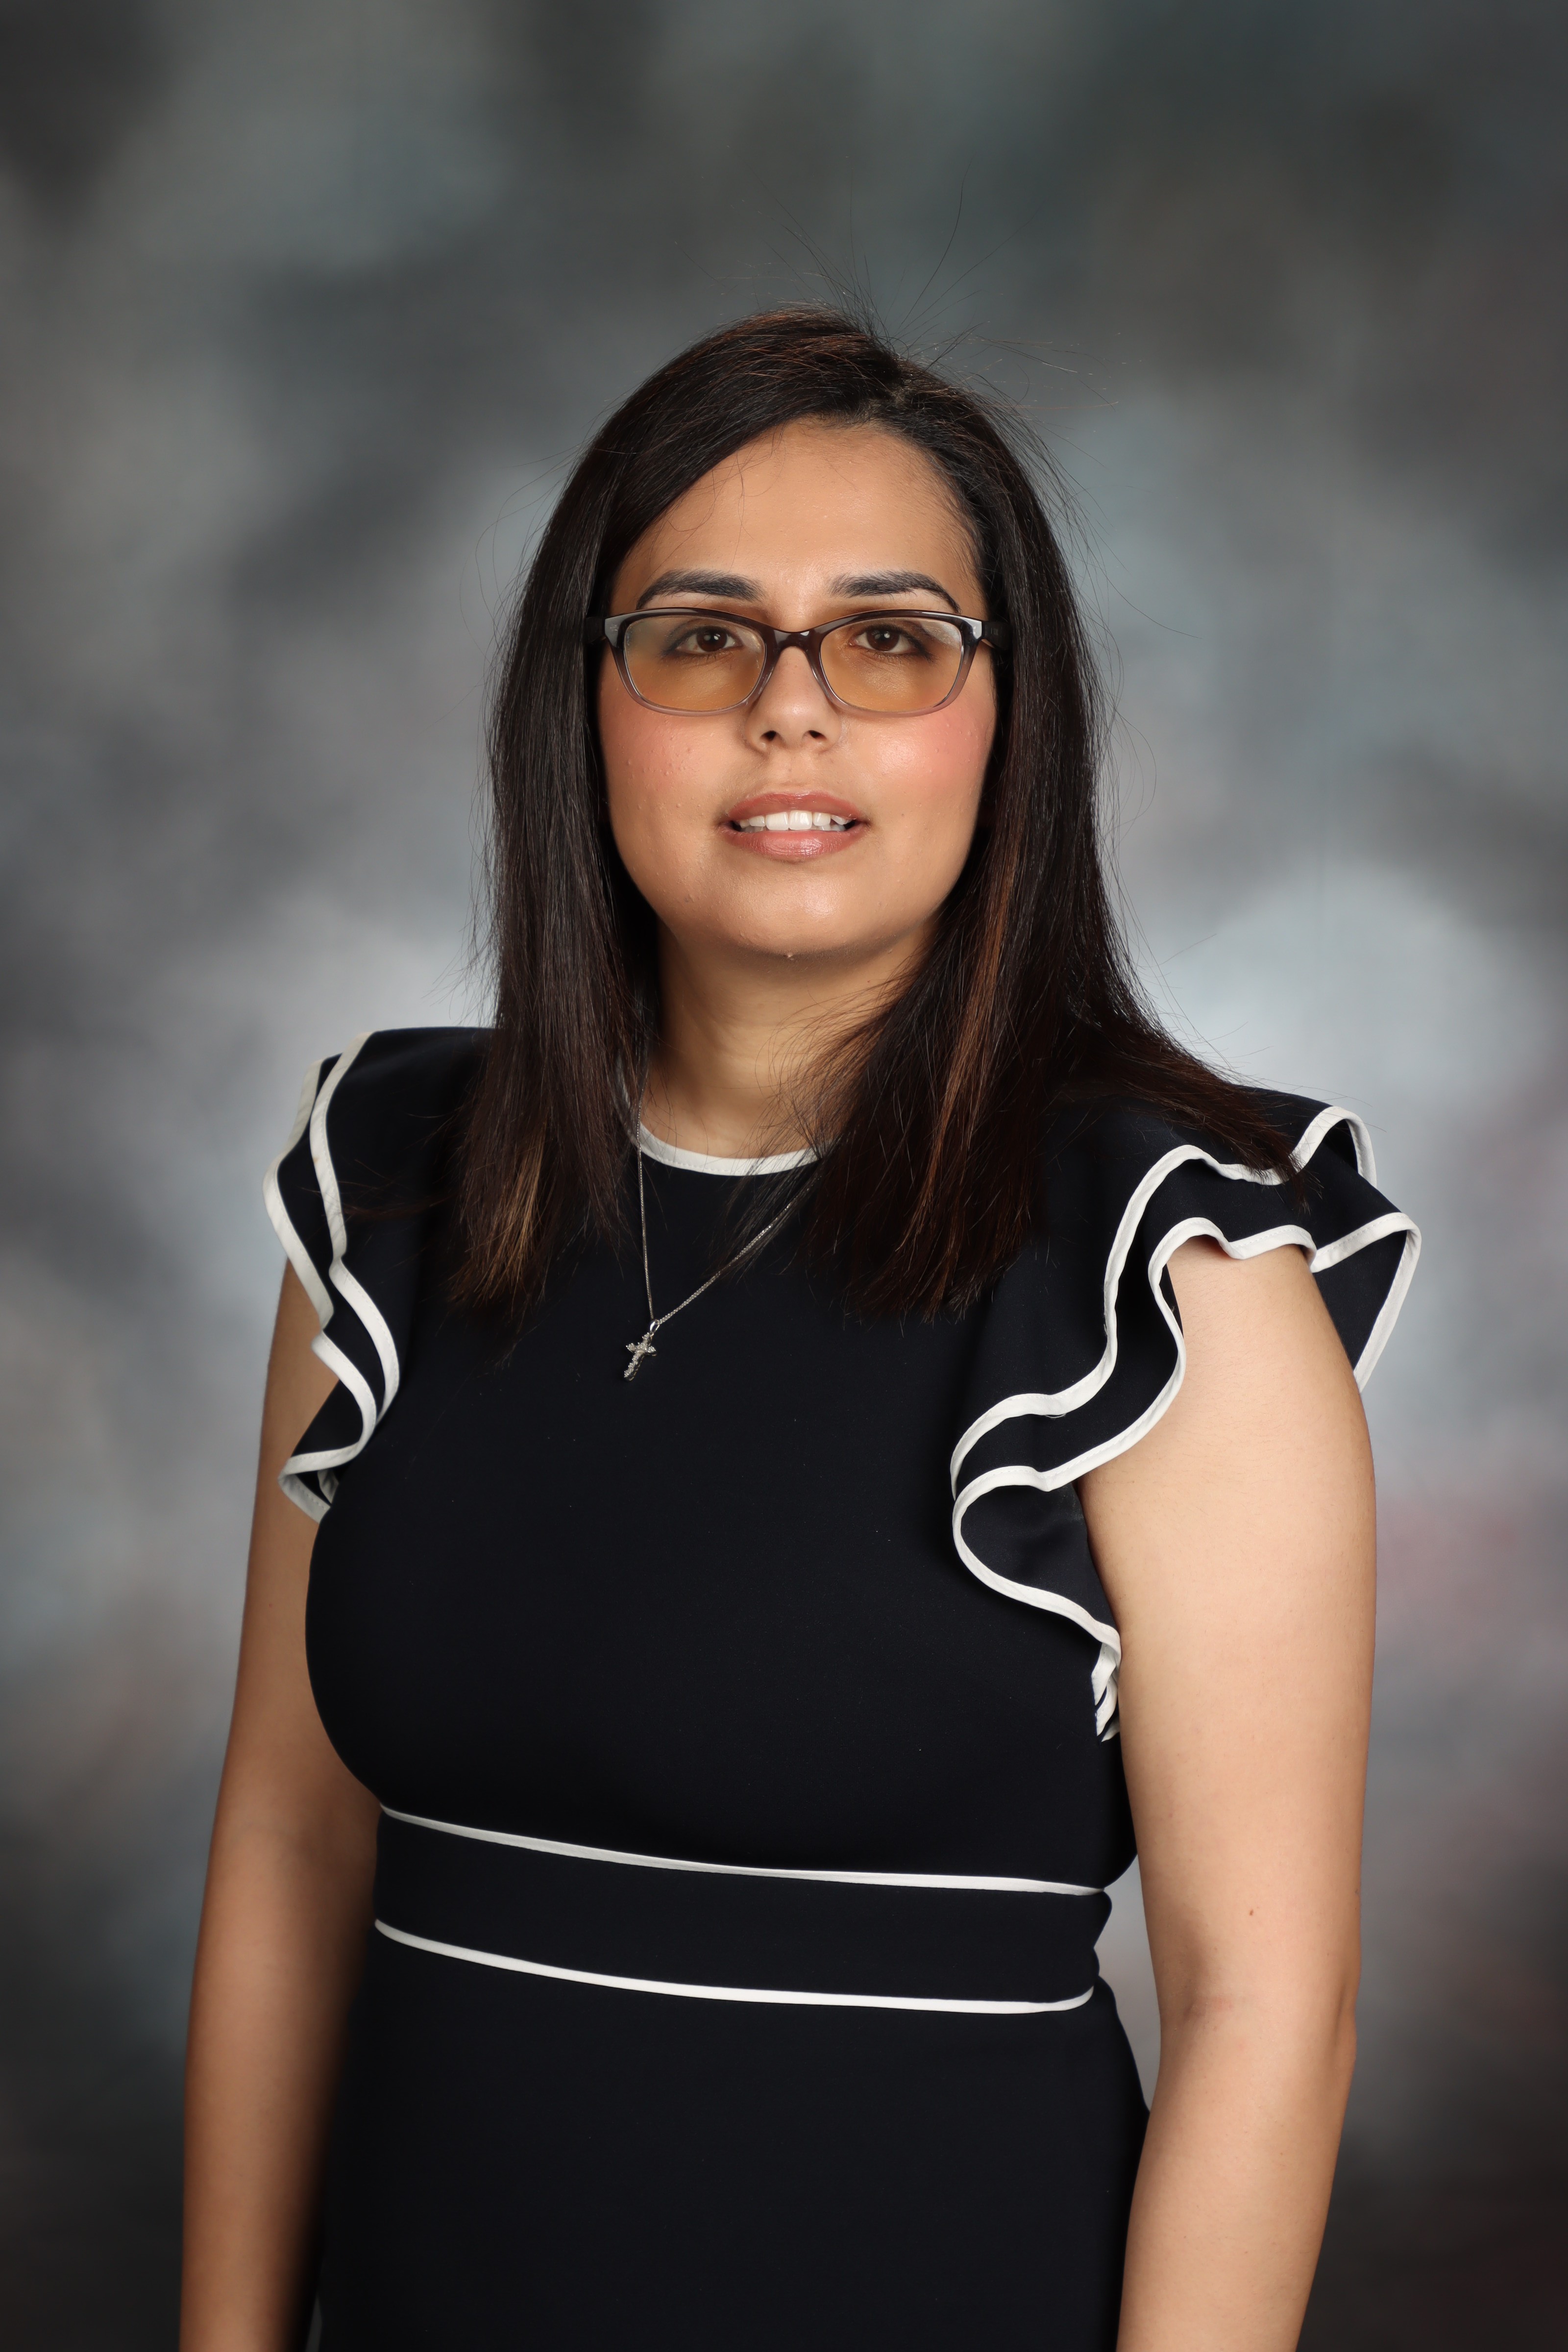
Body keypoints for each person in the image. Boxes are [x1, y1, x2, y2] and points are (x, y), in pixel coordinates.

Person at [180, 308, 1419, 2352]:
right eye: (700, 637)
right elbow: (290, 1847)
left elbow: (1263, 2012)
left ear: (1005, 719)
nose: (790, 712)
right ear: (584, 706)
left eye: (889, 638)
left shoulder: (1174, 1268)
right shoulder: (389, 1191)